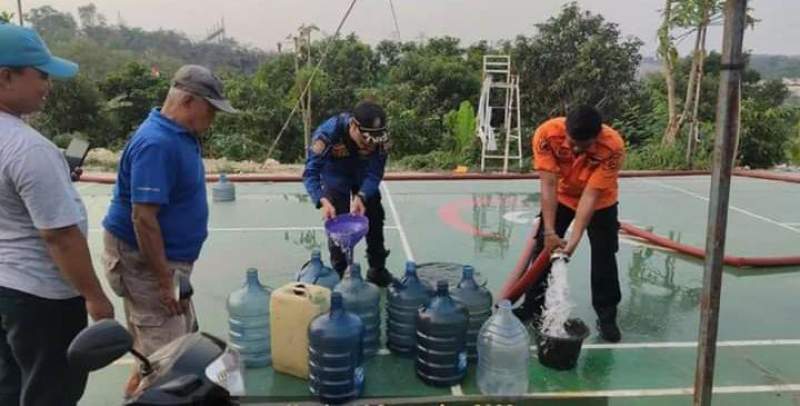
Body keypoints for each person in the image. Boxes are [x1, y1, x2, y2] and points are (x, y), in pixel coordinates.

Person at [101, 65, 237, 396]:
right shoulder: (157, 143)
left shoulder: (180, 134)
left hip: (167, 264)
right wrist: (165, 281)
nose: (213, 118)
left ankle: (133, 393)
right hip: (148, 264)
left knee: (165, 344)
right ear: (188, 101)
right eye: (210, 109)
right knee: (169, 361)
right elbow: (143, 219)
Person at [0, 25, 114, 405]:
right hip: (42, 299)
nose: (48, 85)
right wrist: (95, 298)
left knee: (10, 386)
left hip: (6, 288)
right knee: (51, 393)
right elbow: (60, 237)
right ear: (6, 76)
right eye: (42, 74)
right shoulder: (29, 149)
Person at [514, 105, 625, 342]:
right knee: (542, 248)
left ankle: (607, 317)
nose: (575, 150)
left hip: (601, 201)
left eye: (583, 146)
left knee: (604, 254)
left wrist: (572, 243)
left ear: (597, 137)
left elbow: (591, 196)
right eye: (572, 143)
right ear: (566, 130)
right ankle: (532, 306)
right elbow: (548, 184)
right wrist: (550, 231)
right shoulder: (546, 135)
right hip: (562, 195)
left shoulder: (612, 147)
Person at [302, 101, 393, 287]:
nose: (369, 145)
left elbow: (375, 172)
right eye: (365, 139)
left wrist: (362, 195)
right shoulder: (328, 134)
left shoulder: (381, 140)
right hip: (335, 176)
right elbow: (310, 172)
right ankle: (340, 272)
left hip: (363, 176)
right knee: (337, 224)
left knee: (375, 215)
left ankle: (377, 268)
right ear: (353, 125)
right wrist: (322, 199)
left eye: (373, 142)